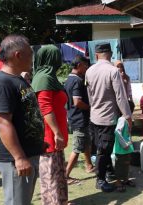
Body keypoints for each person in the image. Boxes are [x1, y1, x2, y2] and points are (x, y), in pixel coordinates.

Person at [0, 35, 45, 205]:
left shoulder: (18, 79)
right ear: (18, 55)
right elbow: (2, 123)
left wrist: (38, 143)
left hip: (29, 152)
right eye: (30, 53)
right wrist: (19, 157)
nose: (32, 57)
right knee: (17, 202)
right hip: (15, 159)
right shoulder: (1, 83)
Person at [85, 42, 132, 192]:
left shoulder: (89, 70)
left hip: (94, 116)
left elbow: (90, 96)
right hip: (108, 117)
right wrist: (128, 116)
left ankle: (109, 173)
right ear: (110, 54)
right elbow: (121, 97)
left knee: (101, 147)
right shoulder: (113, 71)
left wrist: (94, 107)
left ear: (97, 55)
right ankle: (100, 180)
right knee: (104, 150)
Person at [32, 45, 69, 205]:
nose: (60, 60)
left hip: (55, 136)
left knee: (58, 173)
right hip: (49, 136)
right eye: (57, 56)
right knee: (51, 176)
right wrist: (57, 133)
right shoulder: (44, 78)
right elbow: (44, 107)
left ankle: (60, 201)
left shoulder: (49, 77)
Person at [64, 55, 95, 185]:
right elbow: (77, 102)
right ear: (78, 65)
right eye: (85, 65)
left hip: (75, 116)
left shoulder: (69, 79)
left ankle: (89, 166)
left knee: (85, 142)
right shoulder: (76, 81)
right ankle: (65, 175)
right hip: (78, 118)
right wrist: (91, 108)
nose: (86, 68)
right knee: (77, 148)